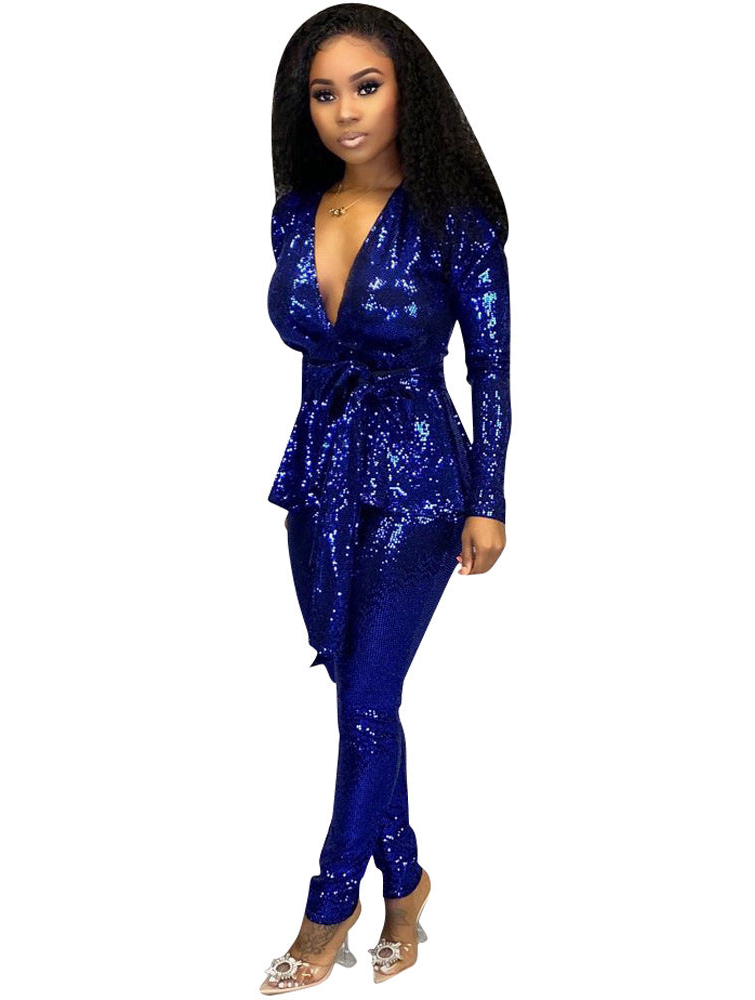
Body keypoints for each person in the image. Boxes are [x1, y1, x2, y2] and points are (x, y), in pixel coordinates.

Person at [260, 5, 512, 992]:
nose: (345, 111)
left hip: (419, 479)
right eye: (323, 93)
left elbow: (490, 370)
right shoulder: (295, 212)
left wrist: (489, 496)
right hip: (318, 476)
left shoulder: (455, 219)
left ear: (408, 89)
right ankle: (405, 879)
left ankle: (332, 903)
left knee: (367, 698)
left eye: (366, 86)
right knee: (357, 692)